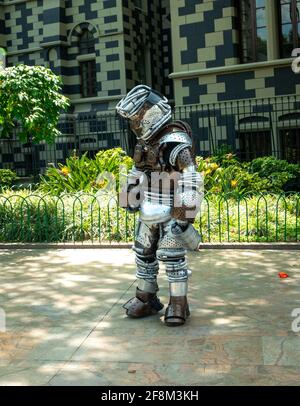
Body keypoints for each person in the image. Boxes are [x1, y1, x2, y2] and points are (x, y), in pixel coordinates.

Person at [116, 85, 203, 326]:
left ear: (152, 113)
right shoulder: (145, 143)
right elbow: (137, 172)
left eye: (139, 117)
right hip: (149, 209)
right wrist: (129, 196)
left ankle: (178, 303)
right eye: (133, 119)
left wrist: (183, 216)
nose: (136, 123)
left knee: (172, 258)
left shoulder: (175, 141)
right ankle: (146, 298)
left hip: (170, 210)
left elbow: (191, 178)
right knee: (143, 255)